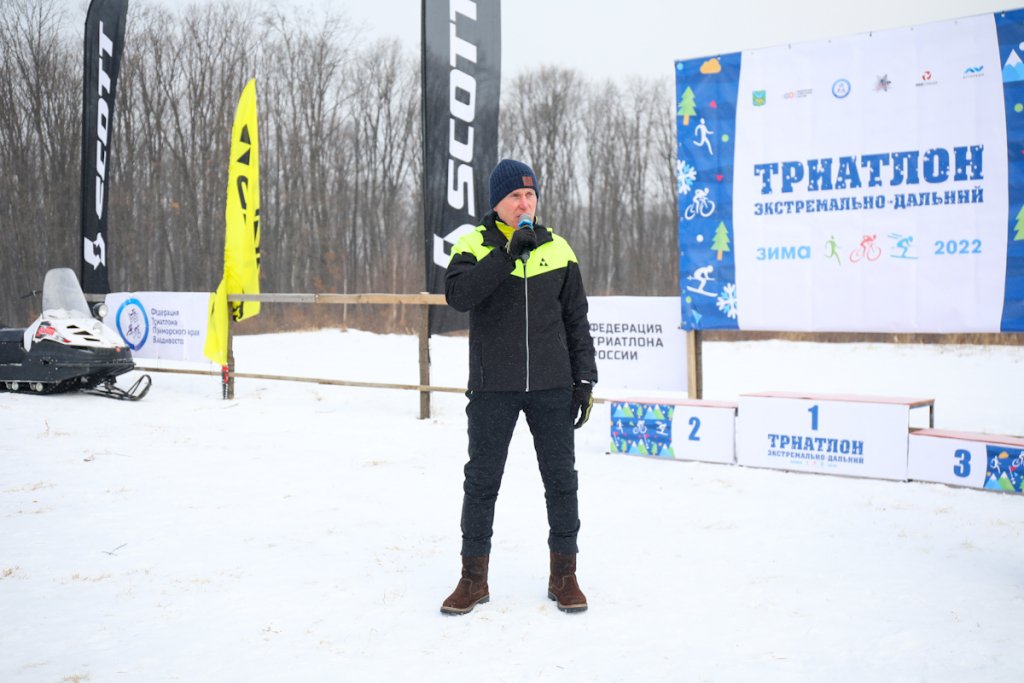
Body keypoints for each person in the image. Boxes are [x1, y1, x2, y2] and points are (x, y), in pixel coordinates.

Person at [440, 159, 598, 615]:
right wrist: (507, 253)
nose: (524, 203)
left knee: (561, 481)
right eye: (515, 196)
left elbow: (576, 319)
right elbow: (459, 296)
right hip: (493, 386)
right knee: (481, 482)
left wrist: (584, 377)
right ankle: (473, 579)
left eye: (530, 195)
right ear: (497, 203)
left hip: (552, 384)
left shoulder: (559, 249)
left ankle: (564, 576)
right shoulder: (472, 244)